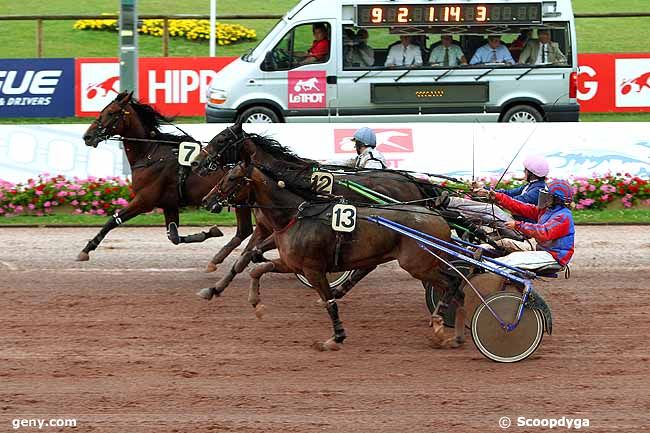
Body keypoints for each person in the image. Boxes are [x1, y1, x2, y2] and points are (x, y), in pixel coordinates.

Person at [475, 179, 575, 270]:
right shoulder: (547, 210)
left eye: (547, 195)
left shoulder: (563, 217)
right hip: (542, 251)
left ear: (556, 200)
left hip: (554, 257)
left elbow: (543, 232)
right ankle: (474, 250)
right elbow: (521, 207)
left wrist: (518, 225)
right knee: (505, 243)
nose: (543, 196)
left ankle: (484, 267)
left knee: (514, 258)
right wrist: (498, 197)